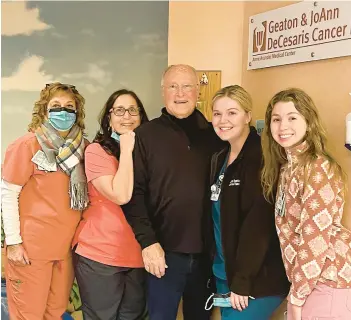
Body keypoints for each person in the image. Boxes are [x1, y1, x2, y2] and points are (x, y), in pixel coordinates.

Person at [122, 64, 223, 320]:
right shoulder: (144, 135)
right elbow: (134, 195)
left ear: (198, 91)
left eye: (187, 86)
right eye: (173, 86)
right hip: (162, 254)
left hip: (207, 257)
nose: (180, 93)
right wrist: (148, 242)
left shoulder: (216, 135)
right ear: (163, 91)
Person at [261, 88, 351, 320]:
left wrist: (297, 296)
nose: (283, 126)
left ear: (309, 122)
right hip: (309, 282)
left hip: (328, 280)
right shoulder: (287, 167)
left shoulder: (318, 167)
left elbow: (315, 238)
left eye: (292, 118)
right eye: (276, 119)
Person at [1, 82, 88, 319]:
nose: (64, 112)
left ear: (77, 112)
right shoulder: (26, 145)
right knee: (29, 314)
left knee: (55, 312)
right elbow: (8, 194)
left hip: (65, 250)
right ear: (44, 110)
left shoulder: (83, 149)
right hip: (31, 250)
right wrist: (14, 243)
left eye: (70, 107)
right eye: (56, 106)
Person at [208, 85, 289, 320]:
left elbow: (259, 226)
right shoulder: (220, 157)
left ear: (248, 116)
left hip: (255, 278)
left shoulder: (262, 158)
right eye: (217, 113)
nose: (223, 120)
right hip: (224, 271)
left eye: (232, 113)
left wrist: (242, 281)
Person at [72, 89, 149, 320]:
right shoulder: (97, 152)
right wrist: (126, 149)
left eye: (133, 110)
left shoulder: (148, 153)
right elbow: (120, 195)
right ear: (109, 118)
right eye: (119, 111)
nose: (127, 116)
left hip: (139, 255)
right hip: (101, 256)